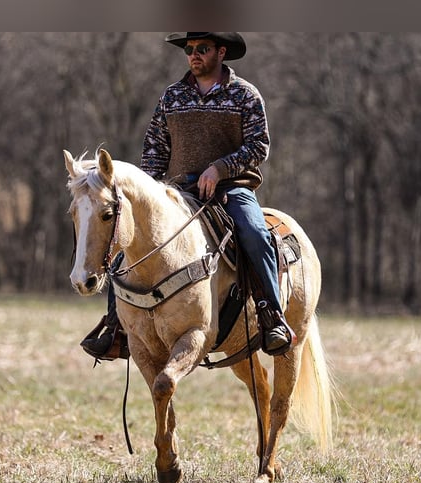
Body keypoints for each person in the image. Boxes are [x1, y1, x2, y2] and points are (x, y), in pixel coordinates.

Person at [81, 32, 295, 361]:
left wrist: (220, 169)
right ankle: (116, 327)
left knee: (254, 232)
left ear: (221, 52)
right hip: (177, 191)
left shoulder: (245, 95)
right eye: (190, 50)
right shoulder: (173, 96)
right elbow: (155, 149)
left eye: (202, 49)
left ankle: (271, 315)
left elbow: (258, 146)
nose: (194, 55)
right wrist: (149, 193)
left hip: (231, 189)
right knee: (128, 242)